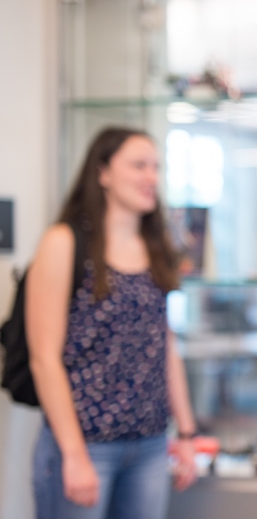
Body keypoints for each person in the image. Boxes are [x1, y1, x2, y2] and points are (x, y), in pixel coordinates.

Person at [27, 127, 198, 519]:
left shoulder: (156, 248)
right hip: (86, 445)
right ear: (103, 172)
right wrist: (73, 454)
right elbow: (44, 359)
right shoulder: (64, 243)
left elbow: (165, 346)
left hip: (150, 445)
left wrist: (186, 432)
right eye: (138, 165)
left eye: (156, 167)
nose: (151, 177)